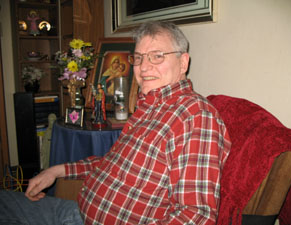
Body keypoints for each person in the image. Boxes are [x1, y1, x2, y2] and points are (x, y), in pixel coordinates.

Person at [0, 21, 231, 225]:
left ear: (183, 63)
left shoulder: (194, 116)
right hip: (75, 213)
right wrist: (56, 170)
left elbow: (195, 216)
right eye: (139, 57)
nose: (143, 67)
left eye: (157, 56)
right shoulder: (148, 107)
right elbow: (112, 164)